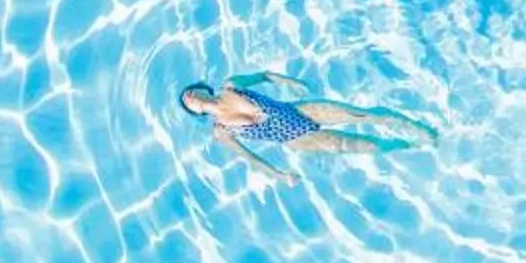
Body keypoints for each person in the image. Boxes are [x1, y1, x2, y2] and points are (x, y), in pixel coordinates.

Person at [178, 72, 436, 183]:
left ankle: (414, 126)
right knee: (364, 146)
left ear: (203, 87)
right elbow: (250, 157)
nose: (188, 96)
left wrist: (292, 83)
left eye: (189, 92)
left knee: (362, 114)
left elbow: (265, 75)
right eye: (186, 102)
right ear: (195, 112)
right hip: (297, 139)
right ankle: (409, 145)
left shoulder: (231, 85)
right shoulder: (221, 131)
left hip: (300, 110)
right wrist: (280, 175)